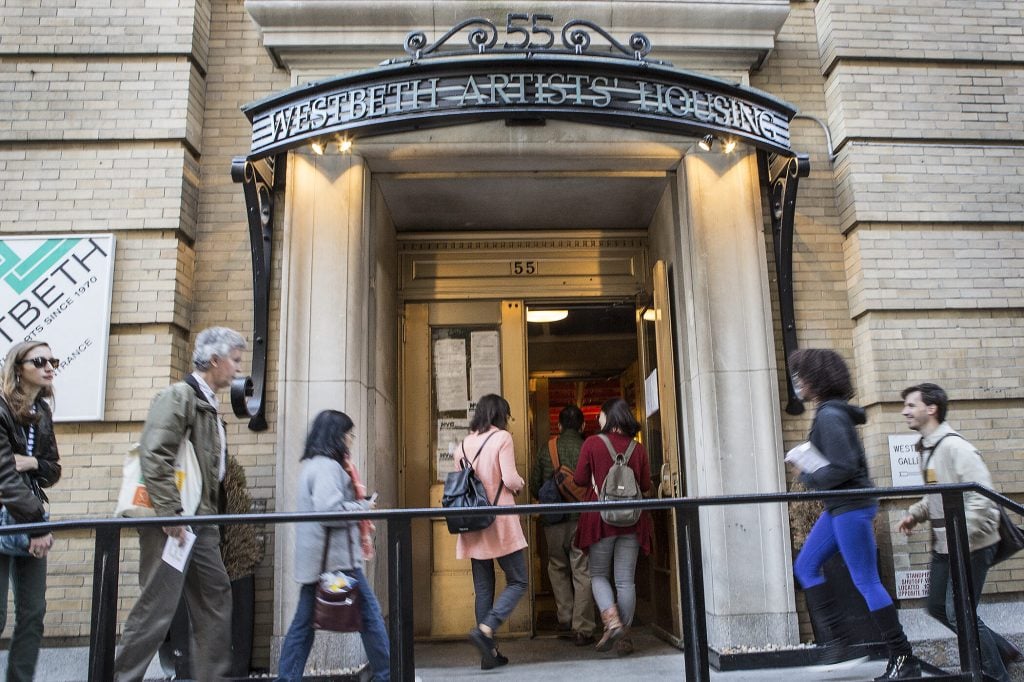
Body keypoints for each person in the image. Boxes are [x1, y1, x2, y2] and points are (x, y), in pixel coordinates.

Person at [114, 326, 246, 682]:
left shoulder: (207, 402)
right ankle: (123, 678)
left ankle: (211, 677)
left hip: (201, 523)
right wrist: (170, 515)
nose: (238, 369)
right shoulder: (180, 396)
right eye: (234, 361)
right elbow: (154, 456)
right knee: (157, 605)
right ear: (214, 360)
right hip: (173, 522)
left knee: (215, 598)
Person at [788, 348, 920, 680]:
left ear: (814, 379)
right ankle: (838, 643)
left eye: (799, 375)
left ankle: (904, 658)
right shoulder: (830, 414)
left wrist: (808, 476)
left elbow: (845, 466)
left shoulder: (830, 416)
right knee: (805, 565)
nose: (796, 382)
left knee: (867, 580)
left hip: (851, 508)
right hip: (840, 508)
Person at [896, 383, 1021, 682]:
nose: (905, 411)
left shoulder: (955, 446)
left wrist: (961, 535)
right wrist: (915, 514)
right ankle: (1001, 650)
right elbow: (939, 494)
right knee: (937, 606)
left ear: (931, 408)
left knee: (958, 612)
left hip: (971, 543)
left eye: (911, 405)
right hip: (945, 544)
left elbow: (982, 496)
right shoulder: (929, 448)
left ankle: (996, 674)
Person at [277, 410, 390, 681]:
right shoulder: (328, 467)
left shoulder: (313, 465)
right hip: (336, 564)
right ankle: (390, 674)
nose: (351, 440)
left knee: (303, 626)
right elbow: (330, 512)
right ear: (337, 436)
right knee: (371, 619)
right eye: (349, 434)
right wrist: (363, 506)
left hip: (320, 562)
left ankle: (287, 677)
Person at [0, 341, 61, 681]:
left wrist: (33, 461)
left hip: (31, 515)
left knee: (33, 612)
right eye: (40, 361)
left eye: (53, 360)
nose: (49, 366)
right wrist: (38, 526)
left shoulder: (43, 413)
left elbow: (52, 470)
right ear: (18, 367)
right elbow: (5, 477)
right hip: (8, 516)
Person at [573, 397, 652, 657]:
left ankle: (612, 622)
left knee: (597, 574)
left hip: (600, 520)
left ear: (609, 417)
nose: (598, 420)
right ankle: (624, 639)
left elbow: (581, 479)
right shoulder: (636, 448)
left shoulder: (592, 443)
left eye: (600, 415)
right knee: (625, 580)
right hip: (631, 520)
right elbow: (645, 485)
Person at [458, 394, 527, 670]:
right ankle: (486, 628)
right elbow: (510, 479)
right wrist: (520, 483)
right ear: (500, 415)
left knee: (483, 587)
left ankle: (490, 654)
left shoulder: (463, 444)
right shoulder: (502, 439)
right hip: (499, 521)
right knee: (519, 580)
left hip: (474, 522)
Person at [529, 405, 596, 645]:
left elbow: (535, 484)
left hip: (553, 520)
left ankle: (565, 618)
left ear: (558, 426)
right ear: (582, 426)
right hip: (582, 519)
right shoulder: (587, 447)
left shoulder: (546, 449)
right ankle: (583, 628)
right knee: (582, 570)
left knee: (557, 567)